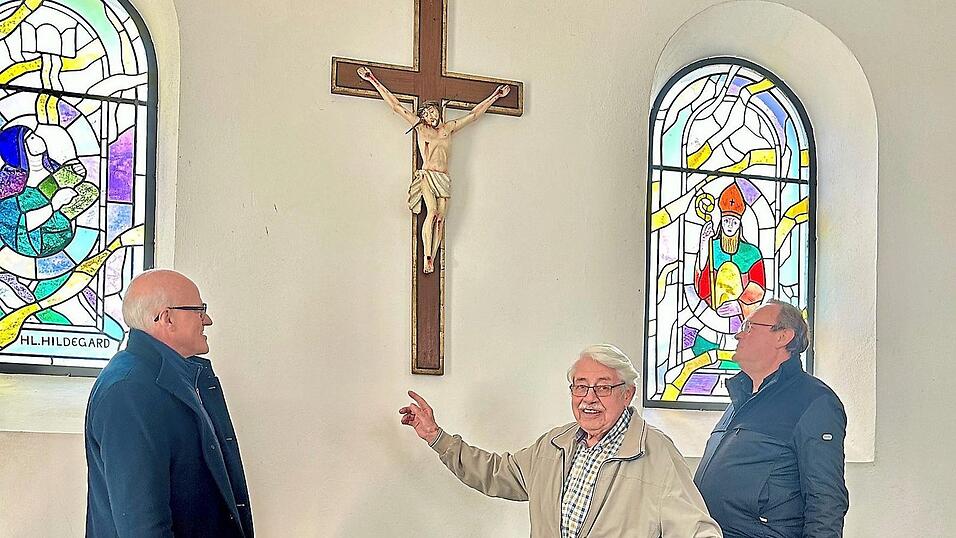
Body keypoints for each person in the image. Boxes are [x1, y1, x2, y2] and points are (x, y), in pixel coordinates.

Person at [399, 344, 722, 537]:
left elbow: (698, 531)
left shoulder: (656, 453)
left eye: (603, 387)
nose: (589, 398)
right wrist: (436, 437)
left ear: (628, 394)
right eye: (580, 386)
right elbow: (497, 473)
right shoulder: (555, 444)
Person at [85, 269, 254, 537]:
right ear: (167, 318)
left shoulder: (172, 375)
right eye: (199, 310)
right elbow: (142, 525)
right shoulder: (129, 391)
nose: (207, 320)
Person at [694, 299, 849, 537]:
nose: (738, 335)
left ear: (783, 337)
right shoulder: (743, 395)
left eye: (749, 327)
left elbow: (825, 499)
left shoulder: (814, 401)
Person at [357, 66, 510, 273]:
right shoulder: (421, 128)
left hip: (444, 177)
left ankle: (433, 257)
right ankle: (427, 255)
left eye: (432, 111)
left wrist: (495, 96)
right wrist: (372, 80)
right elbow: (396, 106)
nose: (430, 115)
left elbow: (474, 115)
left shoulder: (447, 129)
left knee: (441, 218)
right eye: (426, 113)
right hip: (428, 175)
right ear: (423, 117)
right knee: (432, 212)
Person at [0, 124, 98, 257]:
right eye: (31, 138)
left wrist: (74, 171)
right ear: (21, 149)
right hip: (37, 242)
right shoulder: (12, 188)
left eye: (35, 135)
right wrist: (54, 204)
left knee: (89, 190)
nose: (38, 138)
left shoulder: (55, 170)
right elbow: (16, 226)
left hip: (62, 231)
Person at [695, 182, 765, 320]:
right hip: (713, 316)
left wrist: (738, 305)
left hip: (742, 314)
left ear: (740, 225)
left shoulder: (752, 253)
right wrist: (703, 247)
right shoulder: (712, 247)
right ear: (721, 222)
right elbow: (702, 290)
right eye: (726, 220)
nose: (730, 225)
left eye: (734, 222)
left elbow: (758, 288)